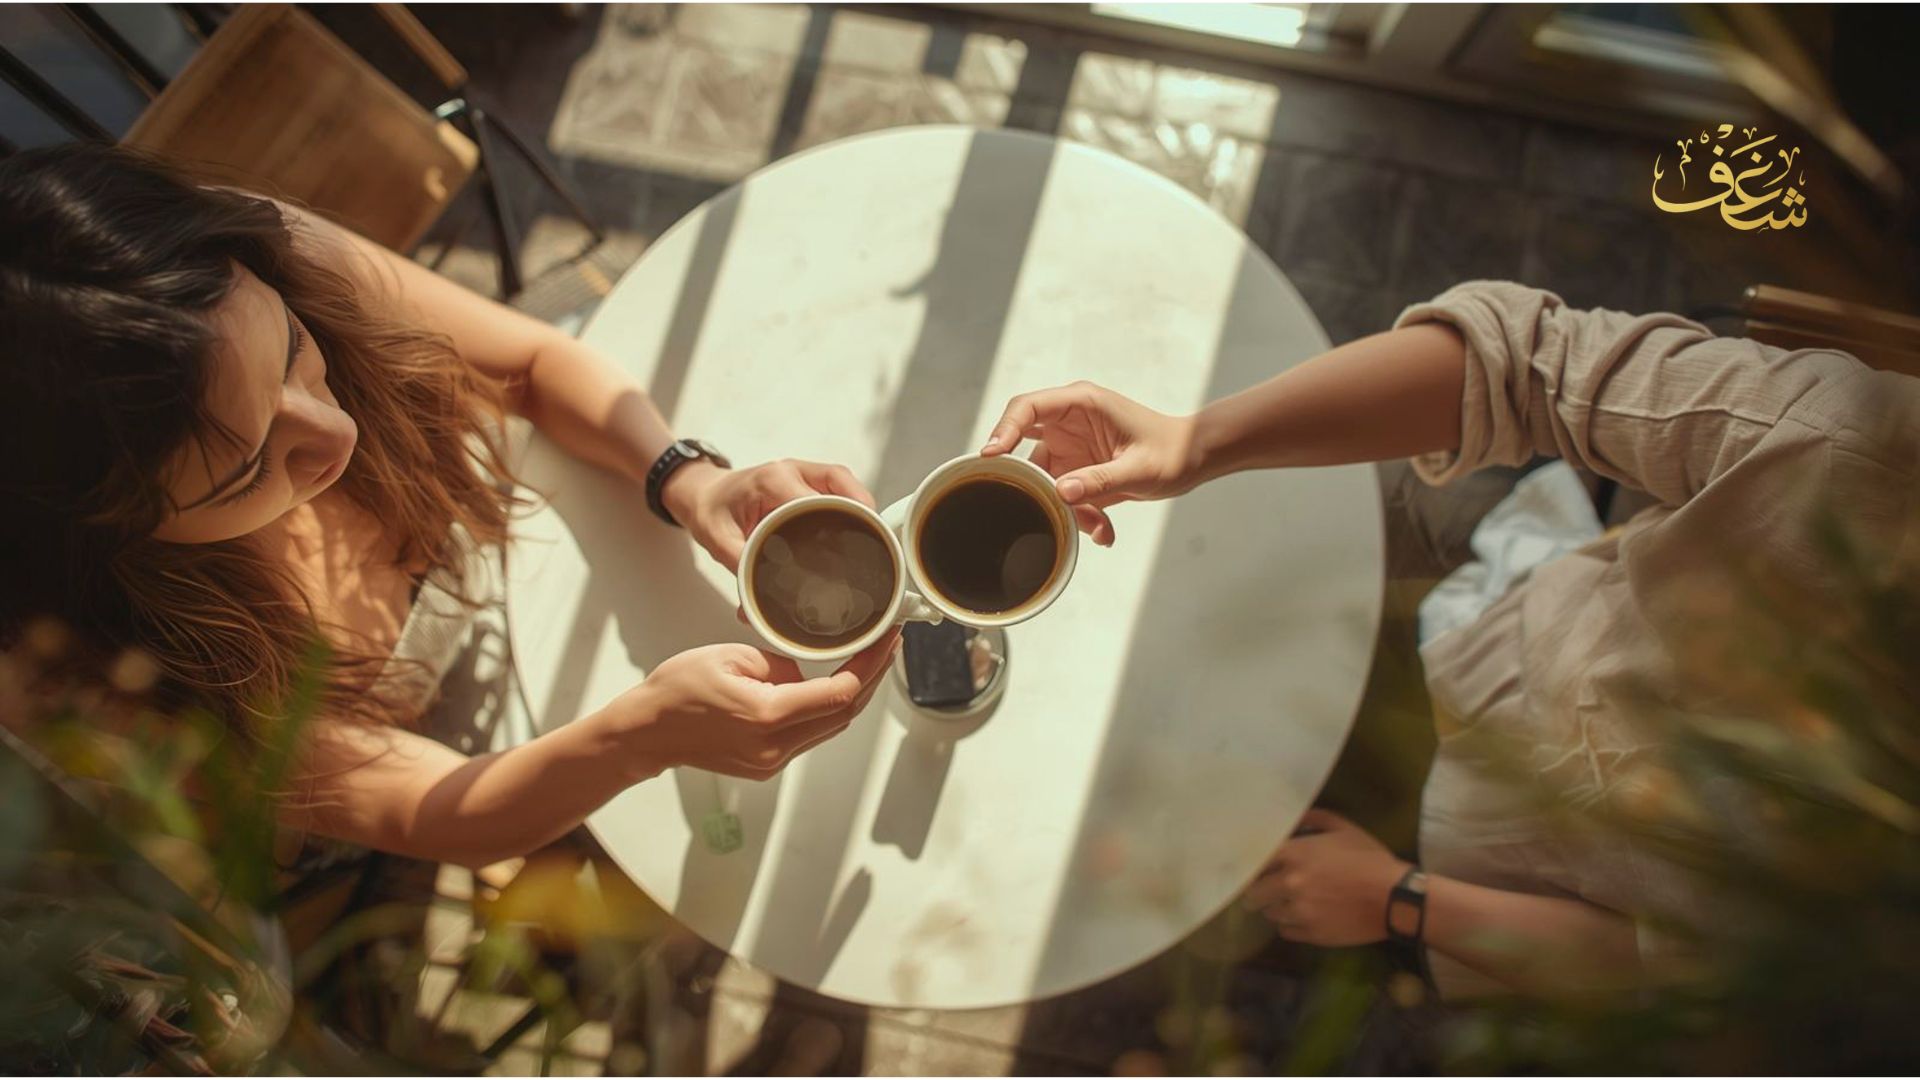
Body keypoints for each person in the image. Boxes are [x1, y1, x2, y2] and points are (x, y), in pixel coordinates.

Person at [982, 280, 1919, 998]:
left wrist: (1397, 899)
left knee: (1179, 882)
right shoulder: (1874, 462)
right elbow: (1527, 363)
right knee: (1251, 559)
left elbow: (1682, 985)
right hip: (1492, 627)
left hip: (1466, 881)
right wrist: (1198, 442)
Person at [0, 143, 898, 871]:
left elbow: (533, 366)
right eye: (247, 471)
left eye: (295, 351)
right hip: (494, 757)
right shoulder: (128, 672)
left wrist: (686, 477)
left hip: (556, 521)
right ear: (114, 531)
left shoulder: (239, 260)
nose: (337, 434)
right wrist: (641, 737)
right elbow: (429, 812)